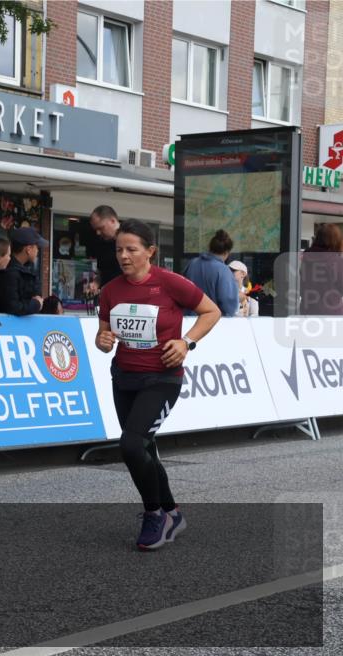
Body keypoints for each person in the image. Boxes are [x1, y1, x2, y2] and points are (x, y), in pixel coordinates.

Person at [95, 220, 220, 551]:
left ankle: (155, 515)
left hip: (162, 378)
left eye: (131, 249)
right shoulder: (110, 291)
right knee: (144, 449)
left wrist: (186, 342)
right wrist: (103, 340)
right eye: (119, 249)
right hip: (124, 377)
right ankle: (173, 513)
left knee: (131, 446)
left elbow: (211, 311)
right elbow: (103, 337)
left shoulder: (170, 283)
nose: (124, 256)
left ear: (150, 251)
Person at [0, 227, 48, 315]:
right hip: (6, 327)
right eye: (37, 247)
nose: (38, 251)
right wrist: (36, 304)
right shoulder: (9, 272)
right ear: (28, 249)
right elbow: (13, 307)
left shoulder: (25, 269)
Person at [183, 229, 238, 316]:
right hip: (211, 324)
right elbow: (229, 307)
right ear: (227, 252)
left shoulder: (192, 263)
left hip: (188, 321)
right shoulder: (224, 271)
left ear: (210, 248)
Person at [300, 223, 343, 316]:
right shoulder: (336, 261)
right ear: (337, 240)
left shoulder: (305, 259)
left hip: (307, 310)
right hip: (332, 313)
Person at [89, 205, 122, 286]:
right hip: (107, 294)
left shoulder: (132, 239)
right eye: (96, 229)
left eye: (101, 228)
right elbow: (102, 271)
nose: (98, 233)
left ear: (113, 221)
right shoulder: (101, 244)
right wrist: (96, 283)